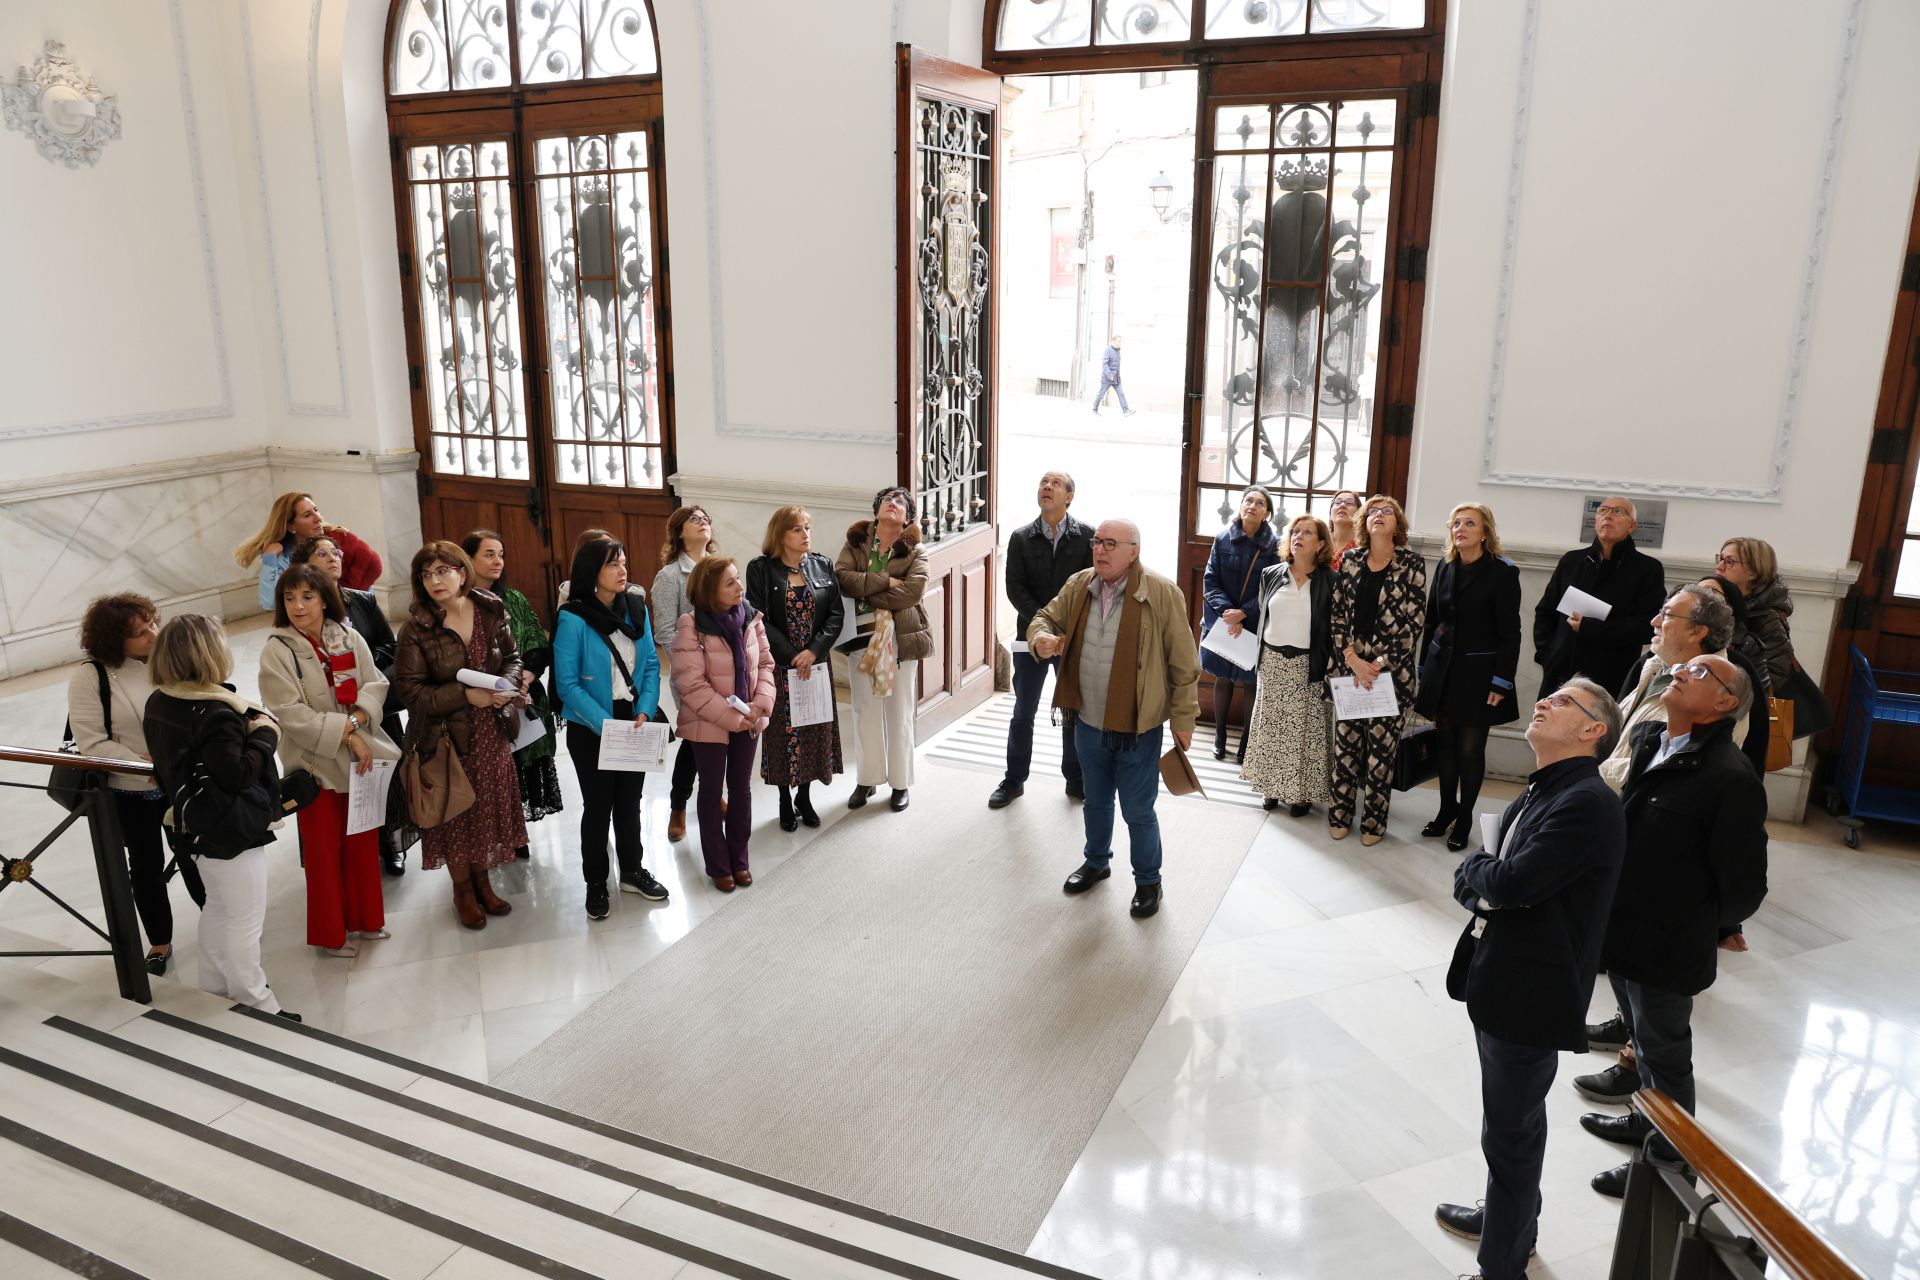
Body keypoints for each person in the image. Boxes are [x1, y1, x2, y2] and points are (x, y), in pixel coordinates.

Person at [1433, 678, 1626, 1280]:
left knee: (1511, 1137)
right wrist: (1483, 877)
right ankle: (1511, 1221)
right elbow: (1485, 877)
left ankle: (1502, 1267)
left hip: (1529, 992)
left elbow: (1509, 883)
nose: (1544, 702)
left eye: (1564, 702)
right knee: (1511, 1125)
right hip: (1505, 979)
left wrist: (1481, 877)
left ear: (1594, 731)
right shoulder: (1549, 787)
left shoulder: (1586, 803)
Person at [1584, 654, 1768, 1200]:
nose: (1680, 671)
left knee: (1664, 1051)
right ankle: (1647, 1121)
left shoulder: (1729, 778)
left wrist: (1701, 922)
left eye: (1699, 672)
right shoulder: (1651, 742)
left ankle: (1667, 1164)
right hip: (1622, 929)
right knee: (1640, 1038)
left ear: (1725, 703)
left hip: (1667, 943)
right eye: (1682, 665)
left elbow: (1745, 884)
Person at [1028, 518, 1199, 919]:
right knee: (1096, 801)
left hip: (1137, 727)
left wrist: (1184, 717)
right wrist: (1041, 638)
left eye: (1110, 543)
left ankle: (1148, 881)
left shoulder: (1161, 593)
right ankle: (1096, 861)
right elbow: (1044, 617)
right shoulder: (1080, 585)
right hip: (1086, 718)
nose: (1100, 550)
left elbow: (1183, 661)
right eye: (1096, 542)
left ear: (1133, 551)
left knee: (1138, 810)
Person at [143, 614, 297, 1020]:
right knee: (245, 920)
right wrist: (265, 733)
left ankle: (212, 991)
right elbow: (235, 775)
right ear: (209, 653)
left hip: (189, 824)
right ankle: (257, 1003)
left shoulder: (160, 700)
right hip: (230, 830)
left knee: (218, 909)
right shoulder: (216, 712)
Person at [258, 565, 398, 959]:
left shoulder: (348, 635)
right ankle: (330, 934)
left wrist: (357, 721)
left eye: (307, 596)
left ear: (324, 599)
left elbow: (375, 683)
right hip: (315, 763)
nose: (298, 606)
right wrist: (348, 733)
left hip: (360, 760)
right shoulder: (277, 649)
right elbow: (289, 712)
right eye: (289, 598)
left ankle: (368, 920)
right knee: (322, 853)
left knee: (362, 842)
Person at [393, 542, 528, 930]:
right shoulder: (417, 628)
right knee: (457, 814)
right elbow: (410, 693)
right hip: (446, 737)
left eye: (443, 571)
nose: (435, 580)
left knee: (486, 809)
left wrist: (508, 685)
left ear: (462, 572)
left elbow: (513, 658)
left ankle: (484, 880)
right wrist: (464, 695)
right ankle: (462, 891)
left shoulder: (489, 609)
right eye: (426, 574)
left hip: (493, 730)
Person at [70, 593, 199, 976]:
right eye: (140, 633)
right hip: (132, 789)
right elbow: (91, 741)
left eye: (152, 625)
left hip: (179, 779)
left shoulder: (168, 659)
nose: (153, 635)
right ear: (114, 642)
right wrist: (143, 764)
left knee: (195, 854)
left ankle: (219, 922)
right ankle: (159, 941)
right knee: (145, 866)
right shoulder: (90, 677)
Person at [553, 537, 666, 920]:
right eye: (612, 565)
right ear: (591, 573)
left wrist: (646, 710)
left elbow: (650, 665)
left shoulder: (636, 608)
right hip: (591, 723)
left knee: (630, 802)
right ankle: (596, 881)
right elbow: (566, 684)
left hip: (633, 717)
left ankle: (632, 871)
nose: (623, 571)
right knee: (599, 805)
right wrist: (605, 725)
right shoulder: (572, 617)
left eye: (623, 562)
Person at [291, 535, 412, 875]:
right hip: (330, 714)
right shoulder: (300, 612)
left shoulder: (363, 601)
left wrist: (359, 666)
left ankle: (389, 843)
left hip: (372, 707)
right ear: (305, 565)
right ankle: (346, 852)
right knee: (341, 784)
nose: (334, 557)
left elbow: (389, 647)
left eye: (336, 551)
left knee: (383, 780)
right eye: (322, 552)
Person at [1415, 503, 1522, 851]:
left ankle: (1464, 819)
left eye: (1469, 523)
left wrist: (1501, 681)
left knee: (1470, 750)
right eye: (1456, 523)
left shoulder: (1503, 572)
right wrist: (1423, 668)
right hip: (1443, 671)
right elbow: (1432, 621)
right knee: (1444, 745)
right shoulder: (1446, 567)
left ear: (1485, 532)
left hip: (1479, 675)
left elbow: (1511, 633)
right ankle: (1446, 810)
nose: (1460, 528)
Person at [671, 556, 777, 891]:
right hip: (709, 723)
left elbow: (766, 666)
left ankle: (739, 860)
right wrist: (735, 717)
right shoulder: (691, 625)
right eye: (729, 582)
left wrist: (761, 705)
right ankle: (718, 865)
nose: (739, 587)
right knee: (711, 791)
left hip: (748, 718)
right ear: (709, 589)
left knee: (742, 790)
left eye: (737, 580)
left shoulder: (750, 617)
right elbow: (691, 684)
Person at [1328, 495, 1427, 846]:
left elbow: (1413, 624)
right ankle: (1339, 815)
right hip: (1350, 671)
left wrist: (1377, 665)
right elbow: (1337, 615)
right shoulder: (1351, 560)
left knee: (1380, 757)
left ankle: (1373, 823)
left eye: (1387, 512)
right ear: (1364, 522)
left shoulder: (1412, 563)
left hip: (1391, 677)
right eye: (1372, 512)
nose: (1379, 516)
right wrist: (1353, 660)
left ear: (1397, 524)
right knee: (1345, 749)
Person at [991, 471, 1095, 809]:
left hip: (1071, 639)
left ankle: (1075, 779)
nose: (1047, 487)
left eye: (1055, 484)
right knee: (1023, 711)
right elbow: (1014, 587)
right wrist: (1041, 626)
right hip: (1030, 640)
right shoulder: (1022, 537)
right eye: (1042, 483)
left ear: (1069, 496)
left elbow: (1090, 588)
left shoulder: (1087, 537)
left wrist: (1063, 629)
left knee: (1071, 711)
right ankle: (1014, 779)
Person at [464, 530, 565, 854]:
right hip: (479, 701)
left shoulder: (515, 599)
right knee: (488, 770)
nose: (497, 561)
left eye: (501, 554)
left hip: (521, 697)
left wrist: (523, 680)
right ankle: (488, 832)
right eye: (489, 554)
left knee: (520, 765)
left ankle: (515, 830)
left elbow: (537, 643)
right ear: (469, 559)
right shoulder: (460, 605)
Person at [745, 507, 845, 832]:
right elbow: (758, 616)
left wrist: (814, 651)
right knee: (782, 733)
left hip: (814, 665)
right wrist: (792, 655)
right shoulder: (760, 569)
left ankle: (804, 795)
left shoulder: (822, 565)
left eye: (807, 528)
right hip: (779, 665)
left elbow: (835, 615)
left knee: (813, 729)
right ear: (780, 535)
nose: (806, 535)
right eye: (797, 530)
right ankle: (784, 800)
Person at [835, 487, 931, 812]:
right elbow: (842, 579)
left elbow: (912, 592)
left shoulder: (917, 550)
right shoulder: (856, 543)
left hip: (901, 639)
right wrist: (886, 581)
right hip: (861, 637)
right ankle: (867, 779)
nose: (893, 504)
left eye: (901, 502)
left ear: (908, 517)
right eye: (888, 500)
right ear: (877, 509)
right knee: (864, 711)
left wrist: (868, 590)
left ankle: (900, 784)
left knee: (899, 712)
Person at [1240, 514, 1335, 816]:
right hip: (1273, 661)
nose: (1298, 536)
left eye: (1307, 532)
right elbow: (1263, 615)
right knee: (1272, 727)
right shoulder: (1271, 573)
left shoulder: (1331, 580)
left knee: (1303, 731)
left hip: (1308, 664)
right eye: (1295, 531)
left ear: (1320, 543)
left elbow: (1333, 625)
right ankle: (1271, 786)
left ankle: (1300, 794)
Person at [1531, 497, 1665, 700]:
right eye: (1603, 510)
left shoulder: (1647, 569)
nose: (1608, 515)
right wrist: (1548, 655)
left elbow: (1646, 628)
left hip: (1609, 674)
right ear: (1595, 520)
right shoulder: (1572, 561)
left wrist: (1591, 628)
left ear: (1632, 526)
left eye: (1618, 511)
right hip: (1560, 671)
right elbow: (1545, 612)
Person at [1200, 486, 1282, 763]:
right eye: (1248, 501)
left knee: (1250, 683)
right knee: (1222, 678)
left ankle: (1246, 741)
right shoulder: (1223, 538)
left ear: (1267, 513)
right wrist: (1227, 612)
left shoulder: (1274, 546)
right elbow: (1210, 579)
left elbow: (1273, 588)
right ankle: (1220, 736)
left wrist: (1244, 613)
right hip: (1223, 621)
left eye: (1260, 503)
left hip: (1254, 622)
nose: (1253, 506)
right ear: (1241, 506)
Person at [651, 508, 716, 842]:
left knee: (720, 734)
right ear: (678, 533)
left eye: (705, 518)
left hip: (725, 669)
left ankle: (713, 793)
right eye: (694, 519)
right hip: (691, 672)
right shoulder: (670, 576)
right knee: (694, 737)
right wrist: (694, 661)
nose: (703, 521)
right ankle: (678, 806)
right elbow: (663, 631)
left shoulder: (720, 568)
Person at [235, 492, 382, 612]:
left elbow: (373, 565)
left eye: (316, 510)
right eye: (307, 515)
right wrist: (269, 560)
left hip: (354, 611)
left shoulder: (339, 537)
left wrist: (344, 603)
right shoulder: (282, 556)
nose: (318, 518)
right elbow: (270, 603)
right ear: (291, 526)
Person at [1714, 537, 1795, 687]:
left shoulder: (1769, 618)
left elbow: (1773, 677)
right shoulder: (1718, 601)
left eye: (1729, 561)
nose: (1719, 566)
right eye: (1720, 558)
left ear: (1753, 572)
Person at [1090, 334, 1134, 416]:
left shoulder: (1118, 350)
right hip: (1107, 378)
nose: (1121, 342)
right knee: (1101, 394)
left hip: (1116, 378)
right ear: (1114, 341)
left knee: (1121, 393)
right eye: (1119, 341)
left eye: (1121, 341)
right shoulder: (1108, 350)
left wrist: (1117, 376)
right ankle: (1094, 409)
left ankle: (1126, 410)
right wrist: (1110, 375)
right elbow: (1105, 364)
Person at [1326, 489, 1364, 563]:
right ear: (1330, 511)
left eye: (1349, 503)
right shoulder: (1319, 542)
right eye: (1337, 502)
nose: (1342, 505)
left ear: (1359, 513)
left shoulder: (1363, 547)